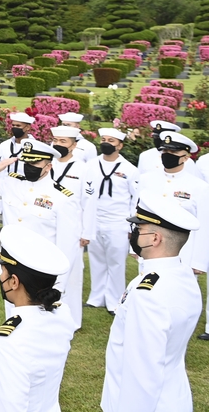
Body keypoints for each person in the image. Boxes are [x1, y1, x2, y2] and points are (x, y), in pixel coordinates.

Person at [101, 197, 203, 411]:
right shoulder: (182, 275)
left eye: (139, 228)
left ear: (155, 238)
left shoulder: (148, 293)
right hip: (173, 396)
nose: (134, 233)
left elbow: (142, 373)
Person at [0, 140, 81, 318]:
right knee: (11, 316)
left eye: (35, 163)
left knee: (40, 321)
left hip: (40, 270)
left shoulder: (62, 198)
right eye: (27, 162)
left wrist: (59, 285)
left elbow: (68, 245)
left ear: (48, 166)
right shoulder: (10, 183)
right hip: (11, 264)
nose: (29, 167)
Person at [0, 225, 74, 412]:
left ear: (14, 282)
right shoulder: (62, 314)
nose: (1, 278)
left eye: (4, 272)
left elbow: (8, 406)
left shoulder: (11, 342)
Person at [136, 131, 209, 337]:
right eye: (164, 150)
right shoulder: (147, 179)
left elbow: (204, 225)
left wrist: (199, 261)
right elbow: (138, 213)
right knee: (147, 288)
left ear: (186, 156)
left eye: (173, 151)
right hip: (150, 245)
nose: (167, 154)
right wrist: (135, 246)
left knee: (176, 295)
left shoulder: (200, 187)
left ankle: (175, 331)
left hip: (183, 252)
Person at [80, 128, 139, 316]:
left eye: (111, 140)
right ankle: (96, 298)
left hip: (118, 222)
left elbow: (135, 199)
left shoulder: (130, 169)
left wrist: (132, 225)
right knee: (96, 260)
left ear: (120, 145)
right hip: (94, 219)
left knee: (116, 263)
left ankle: (115, 301)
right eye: (104, 139)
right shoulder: (90, 165)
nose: (106, 143)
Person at [48, 125, 88, 329]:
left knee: (71, 274)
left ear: (74, 144)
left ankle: (72, 320)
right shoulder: (47, 163)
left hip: (72, 228)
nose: (58, 145)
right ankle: (50, 313)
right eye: (56, 141)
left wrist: (87, 231)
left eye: (63, 142)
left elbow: (90, 202)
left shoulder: (83, 168)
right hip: (48, 224)